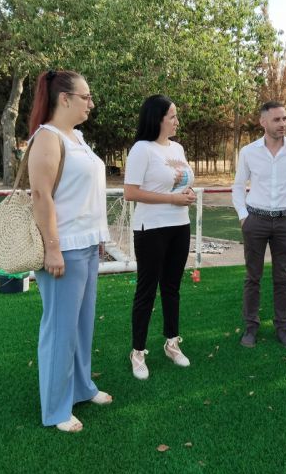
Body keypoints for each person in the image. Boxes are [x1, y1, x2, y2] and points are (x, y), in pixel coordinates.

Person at [28, 70, 113, 433]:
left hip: (87, 244)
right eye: (86, 97)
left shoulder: (76, 137)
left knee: (81, 326)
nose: (90, 104)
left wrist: (99, 234)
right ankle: (56, 408)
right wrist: (52, 249)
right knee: (60, 329)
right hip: (63, 249)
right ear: (64, 98)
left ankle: (81, 388)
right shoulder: (46, 138)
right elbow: (41, 196)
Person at [124, 94, 196, 380]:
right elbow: (131, 192)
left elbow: (184, 181)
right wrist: (171, 199)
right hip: (151, 229)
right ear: (158, 119)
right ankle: (138, 352)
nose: (177, 121)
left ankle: (171, 343)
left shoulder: (177, 148)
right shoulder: (142, 149)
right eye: (173, 116)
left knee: (172, 287)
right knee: (146, 290)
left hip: (180, 226)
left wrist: (187, 194)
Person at [232, 101, 286, 349]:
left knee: (282, 278)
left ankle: (283, 329)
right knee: (252, 277)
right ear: (263, 122)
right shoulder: (248, 152)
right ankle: (251, 328)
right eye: (277, 119)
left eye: (285, 119)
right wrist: (244, 216)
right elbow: (237, 186)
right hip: (255, 220)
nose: (283, 124)